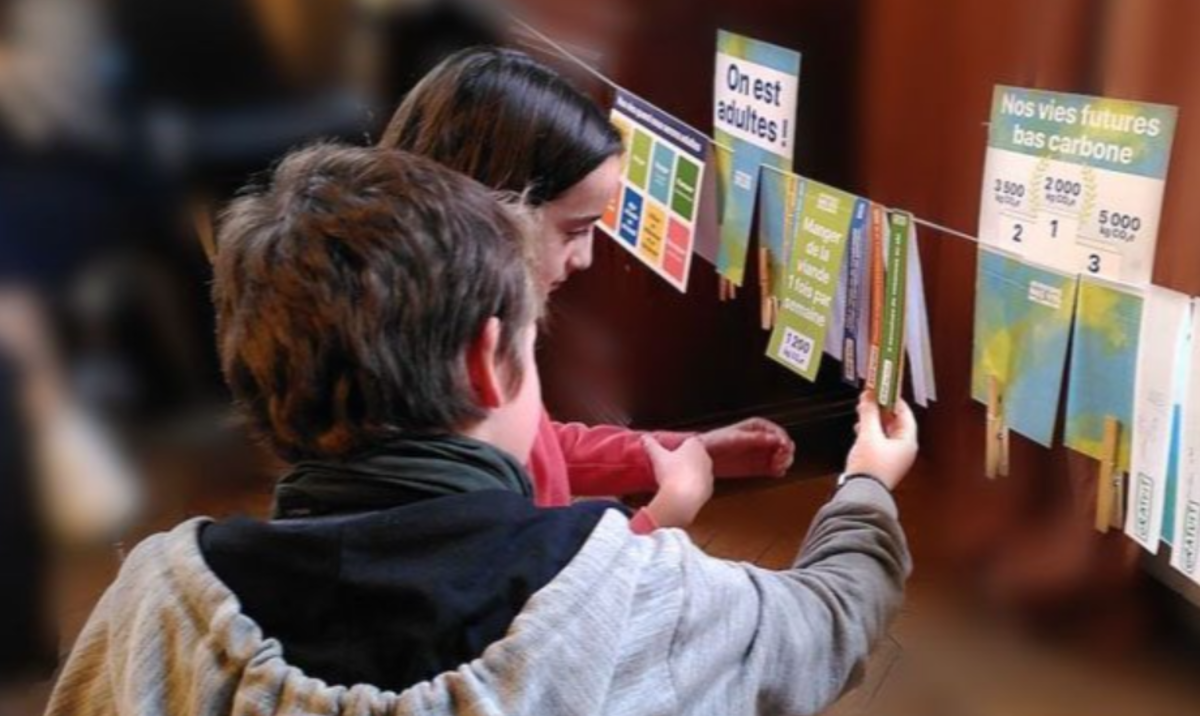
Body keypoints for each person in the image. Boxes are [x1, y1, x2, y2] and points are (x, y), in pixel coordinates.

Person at [47, 144, 915, 715]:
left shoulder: (152, 606)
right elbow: (829, 619)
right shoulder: (633, 590)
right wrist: (866, 483)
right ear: (486, 358)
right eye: (534, 347)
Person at [380, 47, 795, 530]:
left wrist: (676, 451)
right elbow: (550, 593)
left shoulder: (449, 330)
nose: (586, 258)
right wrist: (665, 515)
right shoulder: (436, 389)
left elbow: (540, 444)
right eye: (575, 230)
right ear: (493, 215)